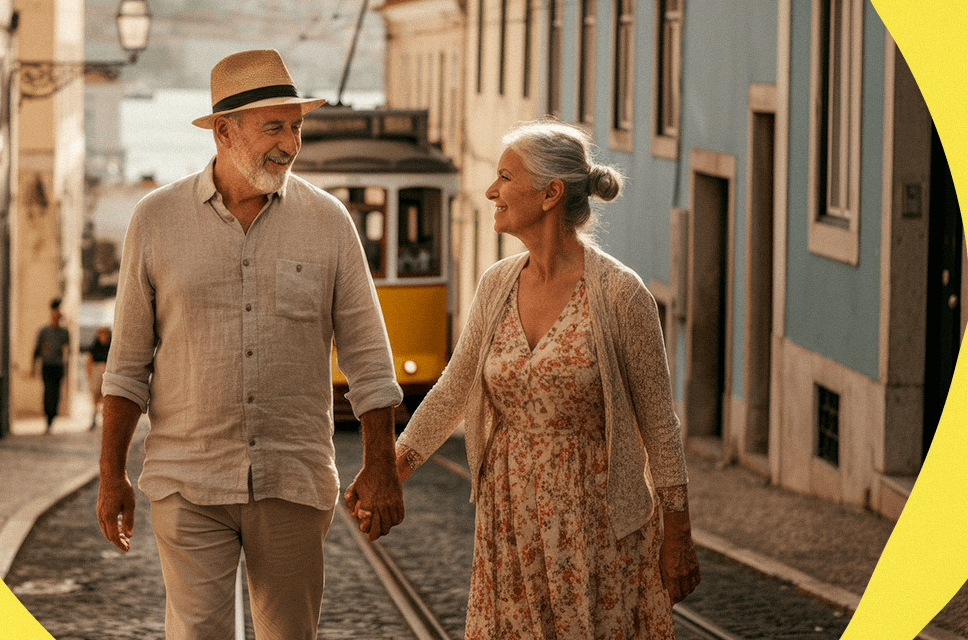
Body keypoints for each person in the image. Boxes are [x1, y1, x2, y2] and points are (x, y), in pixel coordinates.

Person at [95, 49, 405, 640]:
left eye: (297, 127)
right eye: (274, 127)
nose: (291, 144)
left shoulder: (329, 222)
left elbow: (368, 357)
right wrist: (112, 475)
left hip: (292, 477)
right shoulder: (155, 219)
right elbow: (127, 366)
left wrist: (381, 465)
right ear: (224, 130)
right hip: (187, 477)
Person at [350, 119, 701, 639]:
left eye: (505, 178)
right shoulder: (496, 284)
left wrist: (679, 535)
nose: (491, 191)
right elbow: (452, 390)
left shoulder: (620, 294)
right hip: (509, 518)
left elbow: (659, 424)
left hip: (596, 522)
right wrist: (390, 468)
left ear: (550, 194)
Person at [30, 298, 70, 434]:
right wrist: (33, 367)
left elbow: (67, 349)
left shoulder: (64, 332)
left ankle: (52, 416)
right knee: (48, 392)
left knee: (56, 393)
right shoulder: (44, 331)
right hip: (47, 365)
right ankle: (48, 418)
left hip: (58, 366)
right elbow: (37, 349)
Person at [84, 326, 112, 430]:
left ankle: (106, 420)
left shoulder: (111, 346)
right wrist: (89, 374)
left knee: (105, 396)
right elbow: (89, 360)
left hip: (107, 372)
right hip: (96, 372)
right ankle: (94, 419)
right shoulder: (94, 346)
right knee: (95, 398)